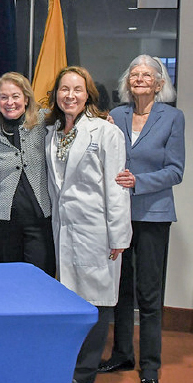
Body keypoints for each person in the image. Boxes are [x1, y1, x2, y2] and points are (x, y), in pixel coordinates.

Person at [99, 55, 185, 383]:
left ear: (160, 84)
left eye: (146, 75)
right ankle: (122, 354)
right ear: (127, 83)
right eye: (134, 74)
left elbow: (176, 170)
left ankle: (150, 364)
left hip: (153, 216)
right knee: (120, 289)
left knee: (149, 294)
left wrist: (139, 182)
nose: (139, 79)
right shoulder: (115, 115)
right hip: (119, 215)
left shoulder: (173, 118)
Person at [45, 66, 131, 383]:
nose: (70, 95)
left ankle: (84, 374)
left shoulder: (106, 132)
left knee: (96, 303)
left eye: (77, 89)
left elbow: (116, 187)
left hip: (98, 232)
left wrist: (119, 235)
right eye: (64, 89)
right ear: (56, 94)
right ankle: (68, 368)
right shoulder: (52, 132)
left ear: (88, 94)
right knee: (71, 303)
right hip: (65, 230)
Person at [0, 72, 55, 276]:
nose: (10, 102)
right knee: (10, 283)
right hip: (3, 224)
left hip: (40, 221)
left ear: (26, 98)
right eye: (4, 97)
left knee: (41, 281)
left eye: (15, 96)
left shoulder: (44, 121)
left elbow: (73, 121)